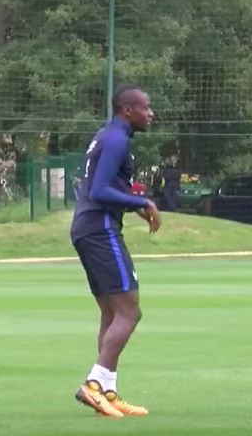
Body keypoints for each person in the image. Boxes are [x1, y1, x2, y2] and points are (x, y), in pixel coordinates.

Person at [70, 84, 161, 417]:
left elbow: (106, 184)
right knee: (129, 311)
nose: (150, 113)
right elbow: (100, 190)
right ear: (128, 110)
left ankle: (106, 393)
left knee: (111, 313)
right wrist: (142, 201)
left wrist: (131, 202)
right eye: (146, 107)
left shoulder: (107, 135)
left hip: (86, 228)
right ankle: (94, 385)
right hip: (100, 229)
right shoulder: (118, 140)